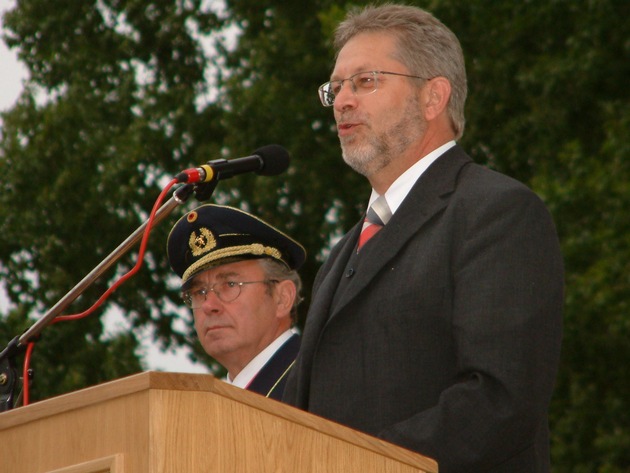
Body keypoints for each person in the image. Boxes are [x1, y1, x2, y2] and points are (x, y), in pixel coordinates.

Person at [283, 4, 564, 473]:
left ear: (433, 97)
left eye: (365, 81)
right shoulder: (342, 253)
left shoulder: (497, 212)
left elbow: (499, 399)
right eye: (335, 88)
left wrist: (352, 463)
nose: (342, 101)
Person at [167, 204, 305, 401]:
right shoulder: (211, 408)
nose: (208, 305)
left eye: (230, 284)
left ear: (282, 298)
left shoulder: (319, 379)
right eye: (199, 292)